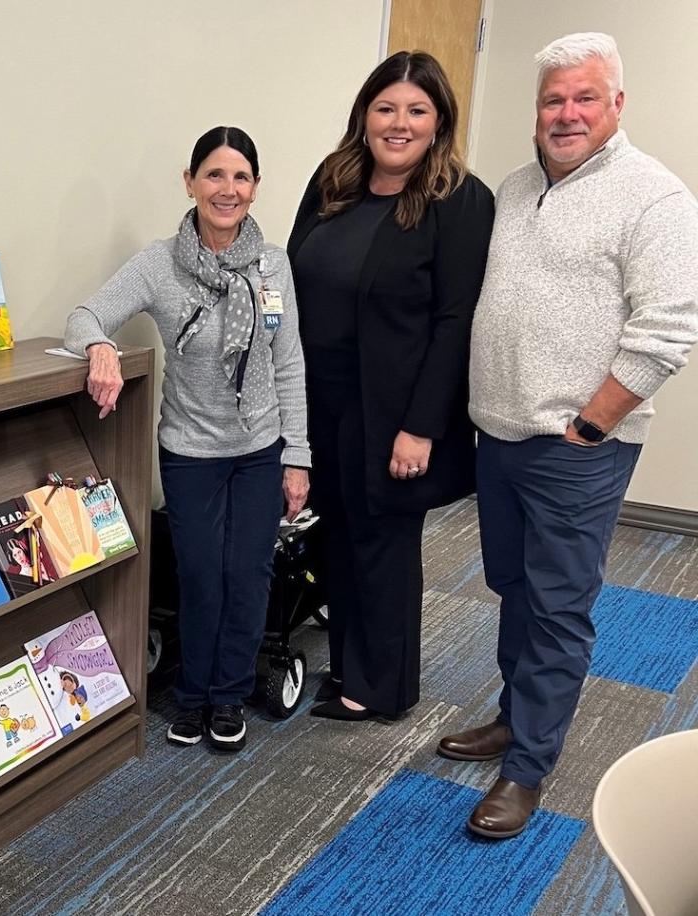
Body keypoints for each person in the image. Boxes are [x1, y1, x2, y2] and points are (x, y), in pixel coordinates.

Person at [438, 32, 698, 839]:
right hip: (503, 436)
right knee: (513, 588)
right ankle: (518, 718)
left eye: (585, 98)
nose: (566, 113)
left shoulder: (655, 197)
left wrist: (593, 423)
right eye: (553, 99)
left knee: (557, 606)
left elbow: (669, 329)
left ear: (617, 104)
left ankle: (528, 769)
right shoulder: (516, 188)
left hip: (576, 446)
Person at [65, 126, 311, 753]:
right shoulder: (159, 263)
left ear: (255, 188)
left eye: (240, 178)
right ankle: (193, 695)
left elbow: (289, 365)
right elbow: (85, 315)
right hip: (192, 452)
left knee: (249, 574)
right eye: (214, 176)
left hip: (260, 449)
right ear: (191, 182)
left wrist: (297, 457)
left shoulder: (272, 265)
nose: (227, 190)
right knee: (201, 575)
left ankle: (228, 697)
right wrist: (99, 348)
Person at [286, 52, 494, 721]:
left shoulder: (459, 199)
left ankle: (381, 689)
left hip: (395, 408)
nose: (398, 124)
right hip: (323, 397)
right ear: (364, 115)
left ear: (438, 123)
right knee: (338, 533)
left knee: (383, 542)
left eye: (416, 110)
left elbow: (456, 318)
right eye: (385, 108)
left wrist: (423, 425)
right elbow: (288, 281)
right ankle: (349, 665)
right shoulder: (333, 180)